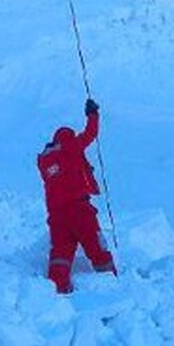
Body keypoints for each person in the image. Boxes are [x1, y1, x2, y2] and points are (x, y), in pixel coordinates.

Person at [37, 98, 116, 294]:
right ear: (68, 137)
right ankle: (114, 286)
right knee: (95, 245)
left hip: (57, 216)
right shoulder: (71, 146)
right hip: (79, 209)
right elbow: (91, 133)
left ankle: (57, 289)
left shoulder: (45, 160)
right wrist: (93, 113)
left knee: (60, 253)